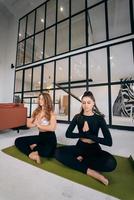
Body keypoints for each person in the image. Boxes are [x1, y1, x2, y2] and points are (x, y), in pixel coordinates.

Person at [55, 91, 117, 185]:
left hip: (94, 149)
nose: (86, 105)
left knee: (111, 163)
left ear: (93, 103)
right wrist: (82, 135)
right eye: (83, 103)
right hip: (80, 147)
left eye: (89, 102)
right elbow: (68, 134)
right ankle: (91, 172)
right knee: (57, 152)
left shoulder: (99, 118)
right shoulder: (77, 117)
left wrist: (90, 136)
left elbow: (109, 141)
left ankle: (80, 160)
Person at [15, 92, 57, 164]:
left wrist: (39, 125)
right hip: (41, 136)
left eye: (42, 99)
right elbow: (28, 124)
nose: (40, 101)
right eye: (39, 99)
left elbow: (52, 128)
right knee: (18, 141)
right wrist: (34, 124)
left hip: (50, 138)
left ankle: (35, 147)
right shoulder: (37, 112)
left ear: (47, 100)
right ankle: (31, 154)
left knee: (48, 153)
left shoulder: (51, 113)